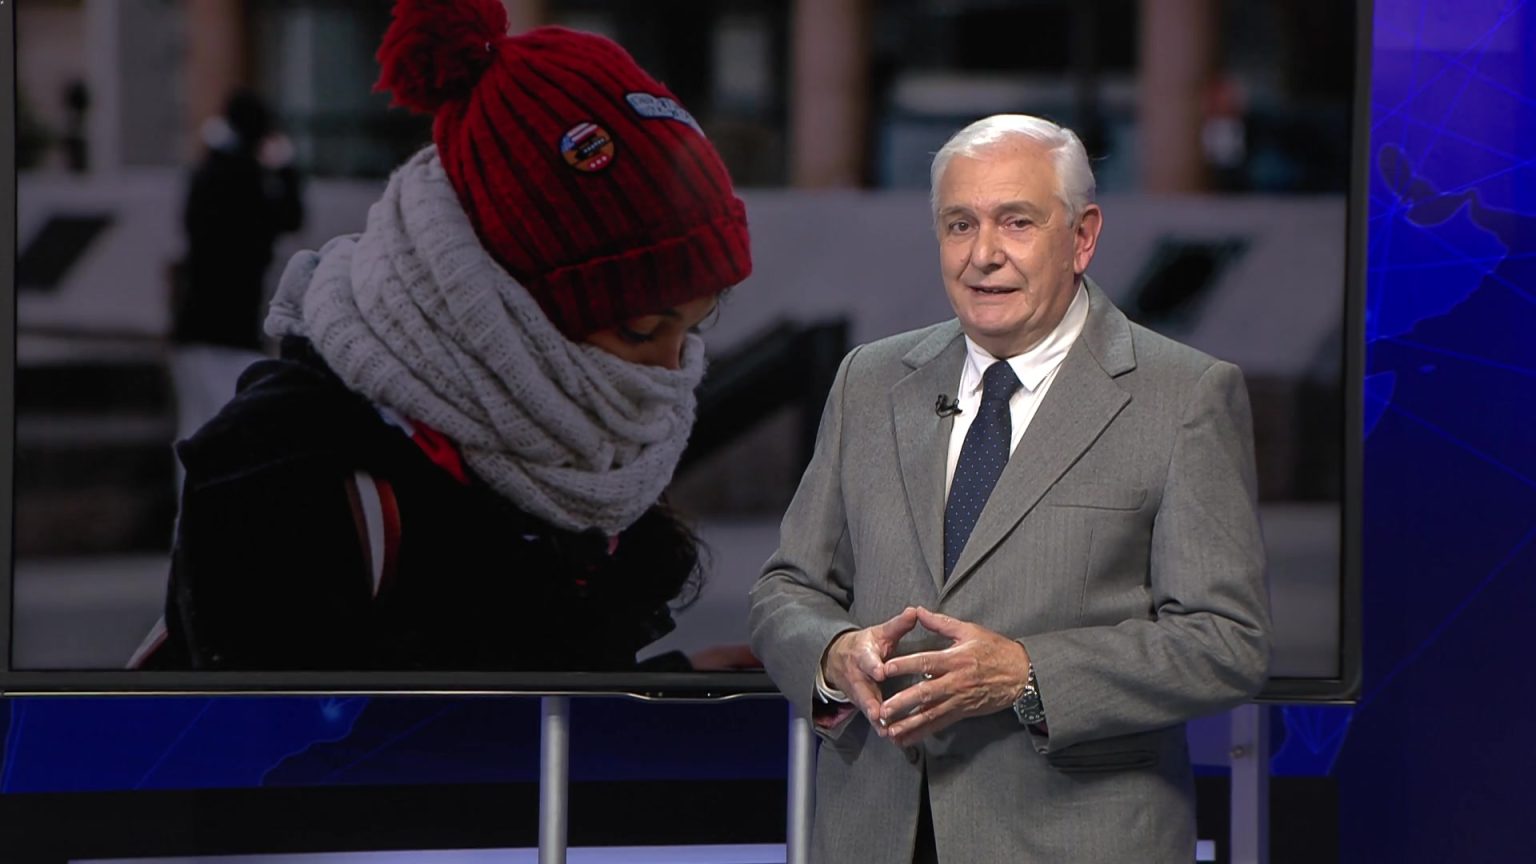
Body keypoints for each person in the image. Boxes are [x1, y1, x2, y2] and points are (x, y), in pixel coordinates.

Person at [133, 0, 754, 672]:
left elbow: (540, 697)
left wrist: (669, 698)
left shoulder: (570, 448)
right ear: (501, 298)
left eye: (695, 327)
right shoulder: (285, 475)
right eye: (640, 329)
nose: (669, 368)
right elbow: (294, 738)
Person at [748, 115, 1270, 862]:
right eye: (960, 224)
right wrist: (834, 655)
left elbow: (1226, 643)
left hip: (1073, 840)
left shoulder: (1183, 395)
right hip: (876, 833)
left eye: (1016, 222)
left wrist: (1027, 675)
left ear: (1083, 237)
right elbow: (788, 588)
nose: (983, 254)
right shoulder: (870, 380)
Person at [169, 87, 305, 463]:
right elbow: (290, 217)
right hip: (233, 330)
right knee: (230, 433)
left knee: (195, 432)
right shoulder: (249, 180)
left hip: (194, 327)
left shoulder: (208, 173)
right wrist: (285, 169)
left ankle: (188, 502)